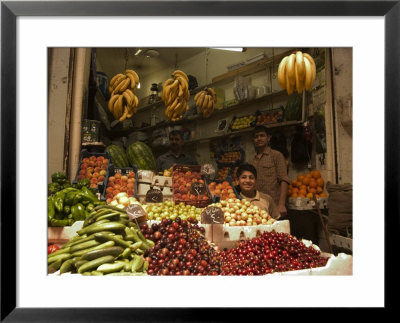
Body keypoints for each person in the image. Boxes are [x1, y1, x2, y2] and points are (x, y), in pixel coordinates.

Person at [248, 125, 290, 218]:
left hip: (275, 205)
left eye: (262, 135)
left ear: (268, 138)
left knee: (277, 232)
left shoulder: (277, 155)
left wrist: (282, 204)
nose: (259, 138)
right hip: (257, 207)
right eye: (256, 136)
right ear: (253, 140)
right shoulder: (251, 161)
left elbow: (284, 179)